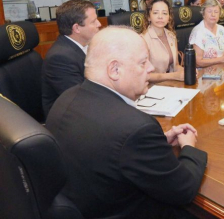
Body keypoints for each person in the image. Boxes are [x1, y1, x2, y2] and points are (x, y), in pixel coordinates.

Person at [46, 27, 207, 219]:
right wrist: (189, 147)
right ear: (114, 70)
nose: (151, 68)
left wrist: (157, 142)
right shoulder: (136, 128)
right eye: (142, 62)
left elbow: (105, 147)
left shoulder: (66, 98)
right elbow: (183, 190)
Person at [41, 0, 101, 116]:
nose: (99, 24)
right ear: (77, 28)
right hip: (71, 118)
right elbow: (81, 100)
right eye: (93, 21)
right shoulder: (60, 58)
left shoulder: (85, 45)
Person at [141, 0, 184, 82]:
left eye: (164, 13)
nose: (160, 17)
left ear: (169, 17)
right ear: (149, 17)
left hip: (172, 84)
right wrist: (173, 76)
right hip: (152, 87)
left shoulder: (171, 36)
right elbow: (145, 75)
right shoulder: (143, 40)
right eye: (155, 13)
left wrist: (187, 72)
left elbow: (175, 66)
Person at [189, 0, 224, 67]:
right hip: (204, 73)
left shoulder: (222, 29)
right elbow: (197, 62)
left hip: (223, 70)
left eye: (216, 12)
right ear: (203, 14)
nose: (213, 14)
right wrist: (222, 59)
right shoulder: (198, 32)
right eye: (209, 11)